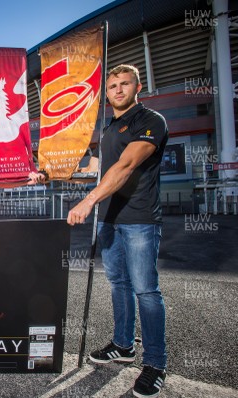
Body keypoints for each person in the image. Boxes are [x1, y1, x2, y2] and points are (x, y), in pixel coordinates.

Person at [67, 64, 168, 398]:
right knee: (119, 286)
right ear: (106, 92)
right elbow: (97, 170)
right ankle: (123, 345)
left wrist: (87, 202)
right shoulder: (109, 128)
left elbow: (125, 166)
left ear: (138, 87)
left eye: (125, 84)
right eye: (112, 86)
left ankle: (155, 363)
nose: (119, 89)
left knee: (146, 292)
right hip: (110, 221)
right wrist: (53, 171)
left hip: (139, 221)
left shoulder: (150, 121)